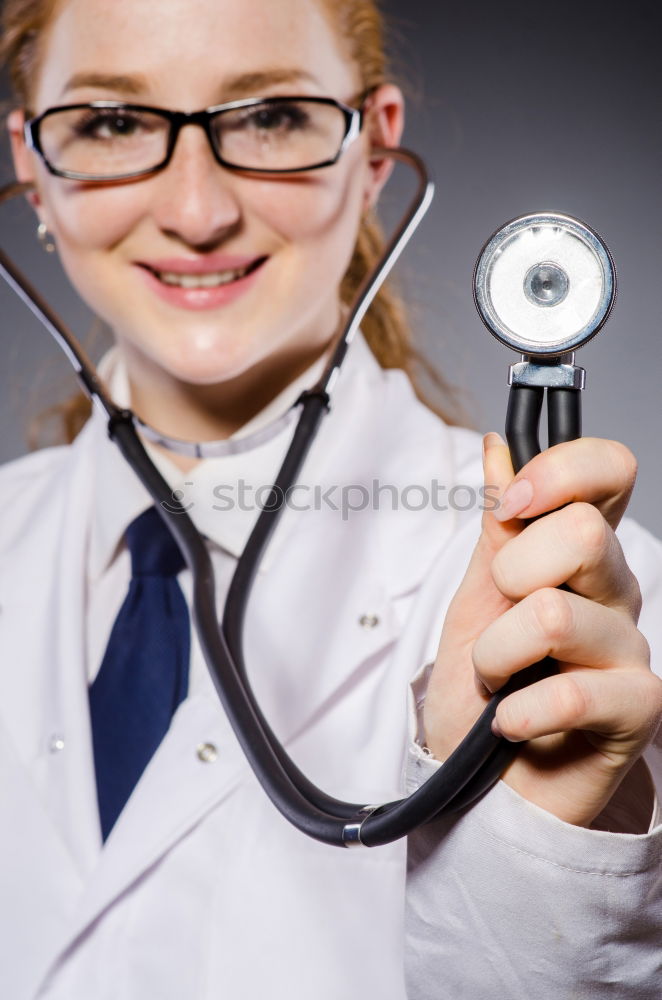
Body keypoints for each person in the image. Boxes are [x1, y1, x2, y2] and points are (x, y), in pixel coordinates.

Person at [1, 0, 661, 997]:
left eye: (267, 116)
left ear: (372, 156)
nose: (196, 209)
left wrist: (536, 850)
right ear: (34, 168)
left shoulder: (578, 610)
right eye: (112, 122)